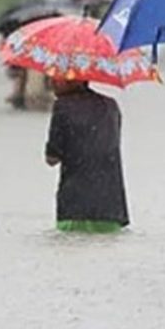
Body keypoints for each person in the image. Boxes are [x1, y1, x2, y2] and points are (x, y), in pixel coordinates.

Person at [44, 78, 129, 233]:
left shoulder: (62, 107)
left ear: (77, 80)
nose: (52, 81)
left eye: (60, 77)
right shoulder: (111, 106)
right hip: (111, 209)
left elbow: (52, 158)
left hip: (75, 208)